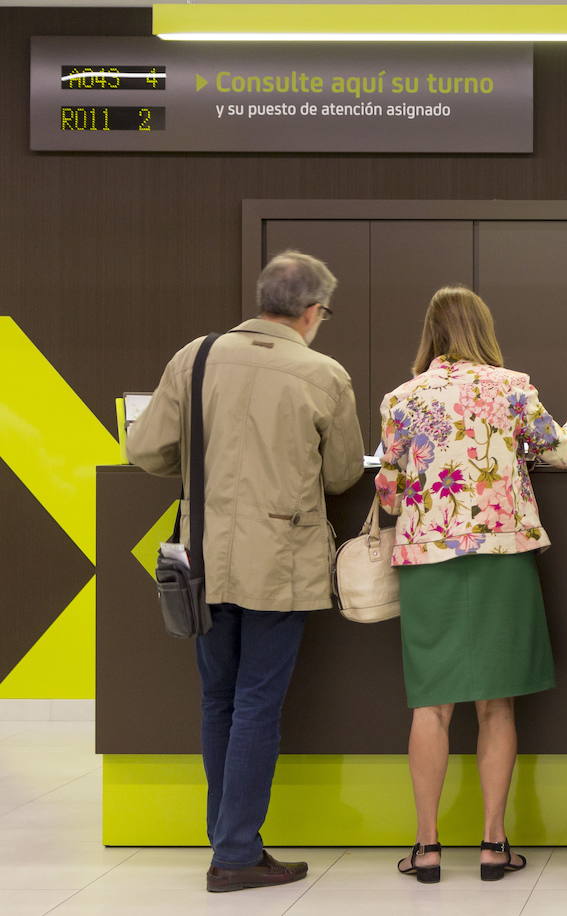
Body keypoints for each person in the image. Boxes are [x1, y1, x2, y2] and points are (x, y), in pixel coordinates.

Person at [128, 250, 365, 893]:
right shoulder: (324, 375)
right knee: (258, 702)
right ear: (312, 310)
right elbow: (344, 473)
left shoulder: (196, 357)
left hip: (203, 558)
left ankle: (227, 841)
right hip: (280, 562)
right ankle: (235, 852)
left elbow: (144, 448)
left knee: (218, 698)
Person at [377, 286, 567, 885]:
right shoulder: (512, 387)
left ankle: (427, 848)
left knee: (431, 705)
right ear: (484, 330)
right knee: (496, 705)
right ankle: (494, 845)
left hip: (427, 559)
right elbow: (561, 454)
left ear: (430, 333)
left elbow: (390, 493)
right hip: (502, 556)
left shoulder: (402, 398)